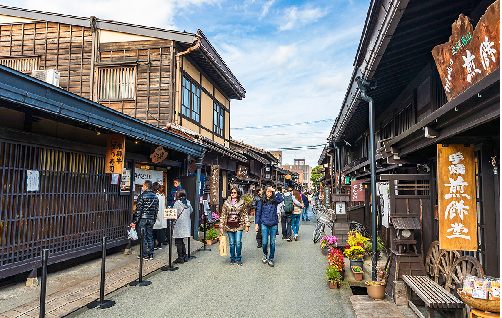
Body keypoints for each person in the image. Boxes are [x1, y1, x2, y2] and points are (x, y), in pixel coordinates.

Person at [220, 188, 250, 266]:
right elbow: (223, 214)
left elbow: (245, 214)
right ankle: (232, 258)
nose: (232, 194)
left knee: (238, 242)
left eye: (234, 192)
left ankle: (239, 258)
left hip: (239, 225)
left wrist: (247, 224)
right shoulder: (226, 203)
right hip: (229, 225)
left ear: (238, 194)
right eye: (231, 192)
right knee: (232, 243)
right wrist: (221, 226)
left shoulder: (242, 202)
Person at [130, 180, 159, 260]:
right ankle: (151, 254)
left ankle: (144, 254)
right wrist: (154, 220)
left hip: (142, 219)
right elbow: (156, 210)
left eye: (143, 185)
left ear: (146, 186)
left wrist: (134, 221)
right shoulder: (155, 197)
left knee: (143, 237)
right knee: (150, 236)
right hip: (151, 219)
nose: (142, 187)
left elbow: (138, 211)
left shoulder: (141, 196)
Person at [255, 187, 283, 267]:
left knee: (272, 242)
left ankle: (271, 258)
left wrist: (275, 191)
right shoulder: (261, 201)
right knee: (264, 242)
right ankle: (265, 254)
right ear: (265, 192)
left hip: (274, 223)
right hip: (264, 223)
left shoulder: (274, 200)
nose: (269, 193)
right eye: (268, 192)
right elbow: (258, 213)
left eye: (271, 192)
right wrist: (257, 224)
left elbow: (281, 199)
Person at [172, 189, 193, 264]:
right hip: (186, 224)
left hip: (179, 224)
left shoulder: (177, 203)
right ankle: (185, 256)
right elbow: (191, 211)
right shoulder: (188, 202)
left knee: (178, 241)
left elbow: (174, 214)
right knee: (181, 241)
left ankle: (180, 257)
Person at [152, 182, 167, 249]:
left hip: (155, 213)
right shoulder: (162, 195)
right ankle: (160, 244)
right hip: (162, 213)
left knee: (153, 230)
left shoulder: (154, 195)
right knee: (160, 229)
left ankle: (154, 244)